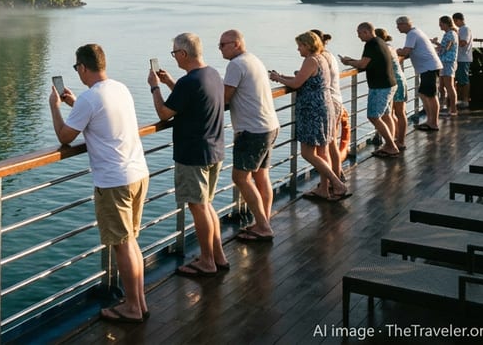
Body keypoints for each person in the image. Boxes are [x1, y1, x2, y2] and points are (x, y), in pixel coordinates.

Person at [49, 43, 150, 323]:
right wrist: (74, 103)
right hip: (138, 173)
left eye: (76, 68)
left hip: (114, 181)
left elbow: (65, 137)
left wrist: (55, 107)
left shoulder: (89, 99)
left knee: (122, 244)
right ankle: (139, 302)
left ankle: (131, 307)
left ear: (82, 67)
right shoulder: (120, 88)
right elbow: (101, 115)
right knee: (131, 242)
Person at [148, 32, 229, 276]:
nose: (173, 57)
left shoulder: (189, 82)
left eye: (174, 53)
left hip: (193, 154)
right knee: (207, 206)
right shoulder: (211, 74)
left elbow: (164, 113)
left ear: (183, 53)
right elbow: (191, 98)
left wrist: (154, 87)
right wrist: (171, 82)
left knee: (199, 208)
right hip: (214, 149)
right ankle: (218, 256)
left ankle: (207, 262)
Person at [269, 32, 349, 200]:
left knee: (307, 153)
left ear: (307, 45)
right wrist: (280, 77)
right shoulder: (322, 59)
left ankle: (337, 184)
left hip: (312, 110)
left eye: (300, 45)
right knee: (322, 151)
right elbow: (303, 78)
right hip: (323, 107)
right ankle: (324, 189)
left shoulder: (311, 60)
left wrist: (280, 79)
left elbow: (297, 83)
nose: (298, 49)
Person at [218, 30, 279, 242]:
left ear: (236, 44)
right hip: (269, 125)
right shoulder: (253, 59)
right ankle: (264, 222)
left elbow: (224, 98)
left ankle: (263, 226)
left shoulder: (235, 65)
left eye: (223, 45)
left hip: (252, 130)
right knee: (261, 175)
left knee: (240, 177)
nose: (220, 49)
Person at [340, 23, 399, 156]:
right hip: (389, 83)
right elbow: (368, 61)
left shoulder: (371, 44)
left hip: (380, 87)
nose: (358, 36)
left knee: (373, 116)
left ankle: (391, 146)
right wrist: (352, 60)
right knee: (386, 115)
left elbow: (362, 64)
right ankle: (390, 143)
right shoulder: (380, 42)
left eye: (359, 33)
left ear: (366, 32)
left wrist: (348, 62)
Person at [311, 29, 348, 182]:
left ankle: (332, 181)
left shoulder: (319, 58)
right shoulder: (330, 55)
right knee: (331, 141)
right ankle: (337, 173)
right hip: (336, 98)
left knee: (326, 144)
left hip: (329, 101)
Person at [396, 16, 441, 131]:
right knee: (423, 94)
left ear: (405, 24)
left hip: (429, 67)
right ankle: (430, 120)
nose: (397, 28)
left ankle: (434, 123)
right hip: (428, 67)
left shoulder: (412, 34)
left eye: (399, 25)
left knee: (431, 96)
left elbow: (406, 51)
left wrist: (395, 51)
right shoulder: (416, 32)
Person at [374, 27, 408, 151]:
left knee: (396, 113)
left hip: (394, 81)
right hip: (398, 79)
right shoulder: (390, 47)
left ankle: (397, 142)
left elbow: (369, 63)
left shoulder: (383, 48)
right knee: (394, 113)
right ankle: (397, 140)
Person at [435, 16, 458, 117]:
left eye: (440, 23)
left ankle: (453, 109)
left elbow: (446, 48)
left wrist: (436, 46)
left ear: (445, 24)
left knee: (449, 86)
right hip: (444, 62)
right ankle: (443, 106)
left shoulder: (450, 34)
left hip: (448, 62)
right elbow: (445, 47)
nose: (439, 25)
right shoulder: (449, 34)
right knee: (441, 86)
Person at [454, 12, 473, 108]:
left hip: (463, 58)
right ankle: (461, 99)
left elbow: (463, 43)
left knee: (464, 80)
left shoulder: (464, 30)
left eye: (455, 21)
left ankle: (465, 100)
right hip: (461, 58)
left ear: (458, 20)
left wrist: (455, 35)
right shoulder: (462, 30)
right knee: (460, 80)